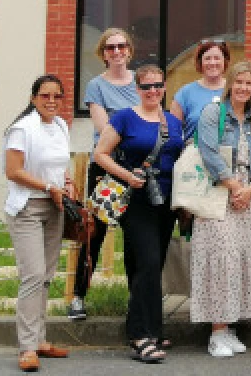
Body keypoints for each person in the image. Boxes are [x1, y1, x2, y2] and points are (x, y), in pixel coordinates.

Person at [93, 63, 182, 364]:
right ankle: (140, 336)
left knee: (148, 267)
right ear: (137, 89)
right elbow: (100, 154)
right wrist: (127, 176)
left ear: (164, 88)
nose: (153, 91)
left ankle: (151, 328)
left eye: (158, 86)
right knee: (148, 261)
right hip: (136, 200)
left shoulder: (172, 121)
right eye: (146, 87)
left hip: (165, 200)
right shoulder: (124, 118)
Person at [191, 61, 251, 358]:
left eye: (249, 84)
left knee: (240, 260)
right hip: (218, 193)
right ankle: (217, 331)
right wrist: (236, 187)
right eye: (239, 82)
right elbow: (209, 153)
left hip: (246, 197)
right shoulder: (214, 112)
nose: (244, 88)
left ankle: (230, 326)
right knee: (221, 260)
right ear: (230, 84)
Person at [3, 75, 74, 373]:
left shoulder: (60, 126)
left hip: (55, 207)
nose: (51, 101)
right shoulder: (22, 129)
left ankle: (40, 340)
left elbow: (60, 166)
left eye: (57, 96)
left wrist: (67, 183)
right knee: (32, 276)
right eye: (45, 96)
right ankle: (27, 348)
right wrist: (48, 187)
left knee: (45, 276)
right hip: (27, 208)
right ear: (33, 99)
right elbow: (13, 171)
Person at [70, 27, 139, 321]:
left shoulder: (142, 82)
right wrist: (136, 130)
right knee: (94, 232)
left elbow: (153, 116)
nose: (117, 52)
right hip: (107, 167)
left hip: (137, 167)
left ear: (129, 50)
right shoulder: (96, 86)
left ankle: (137, 299)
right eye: (110, 48)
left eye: (121, 46)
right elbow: (103, 128)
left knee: (136, 234)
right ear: (103, 54)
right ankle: (78, 297)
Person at [171, 39, 230, 141]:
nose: (212, 63)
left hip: (229, 154)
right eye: (207, 58)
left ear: (225, 61)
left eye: (217, 58)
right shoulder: (185, 93)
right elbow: (173, 134)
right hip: (194, 153)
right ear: (200, 62)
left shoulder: (235, 90)